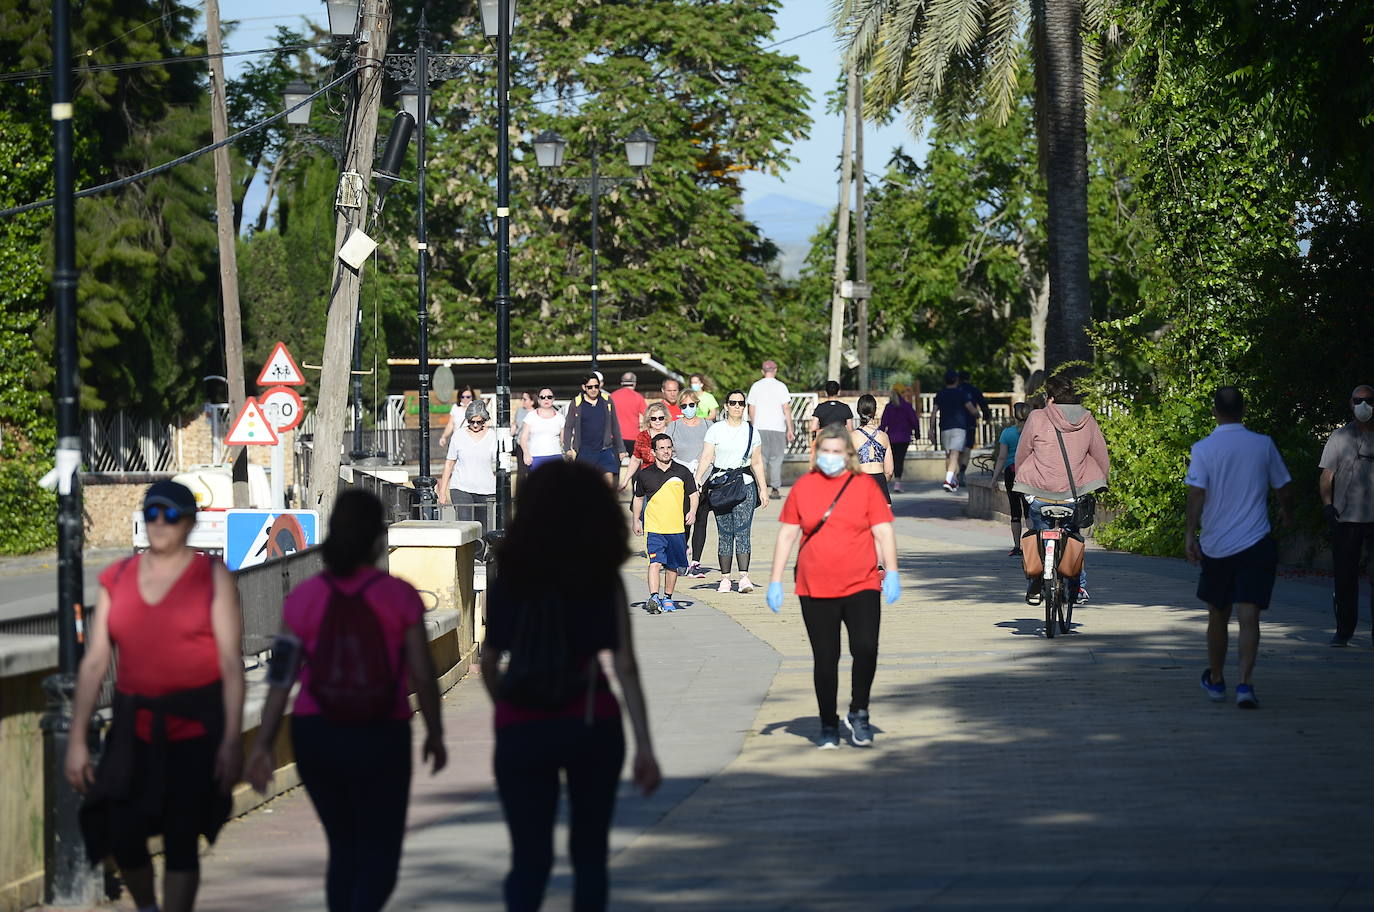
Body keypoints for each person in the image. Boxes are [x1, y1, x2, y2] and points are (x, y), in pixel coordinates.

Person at [245, 490, 447, 912]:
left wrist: (263, 744)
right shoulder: (399, 595)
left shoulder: (302, 599)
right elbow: (423, 674)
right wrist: (434, 733)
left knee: (344, 847)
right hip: (381, 734)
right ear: (378, 539)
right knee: (380, 854)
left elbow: (280, 678)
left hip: (317, 734)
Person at [480, 461, 661, 911]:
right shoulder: (602, 579)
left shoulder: (511, 576)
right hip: (589, 720)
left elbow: (488, 659)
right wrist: (644, 746)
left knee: (529, 857)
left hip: (522, 726)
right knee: (590, 856)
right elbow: (625, 665)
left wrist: (507, 705)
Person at [67, 480, 244, 912]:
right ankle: (147, 905)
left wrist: (231, 739)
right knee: (120, 830)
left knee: (182, 835)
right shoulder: (119, 578)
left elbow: (229, 662)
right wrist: (75, 740)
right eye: (152, 514)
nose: (160, 524)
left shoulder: (211, 577)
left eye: (170, 515)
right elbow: (94, 663)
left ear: (189, 522)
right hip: (133, 725)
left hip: (195, 723)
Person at [766, 425, 900, 749]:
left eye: (837, 452)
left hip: (862, 582)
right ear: (816, 454)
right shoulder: (804, 487)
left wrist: (893, 571)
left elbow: (883, 531)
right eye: (825, 452)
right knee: (826, 657)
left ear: (849, 455)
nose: (831, 458)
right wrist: (774, 580)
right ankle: (828, 723)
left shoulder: (865, 487)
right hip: (815, 587)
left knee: (866, 648)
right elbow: (787, 534)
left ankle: (859, 711)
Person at [1186, 386, 1294, 709]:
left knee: (1217, 615)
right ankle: (1245, 684)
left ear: (1214, 411)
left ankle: (1217, 680)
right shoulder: (1263, 445)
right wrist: (1287, 514)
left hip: (1217, 544)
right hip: (1256, 541)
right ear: (1243, 410)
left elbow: (1196, 495)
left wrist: (1190, 534)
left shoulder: (1204, 448)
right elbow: (1284, 487)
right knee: (1250, 615)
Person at [1013, 372, 1109, 605]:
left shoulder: (1036, 417)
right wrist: (1101, 482)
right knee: (1073, 535)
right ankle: (1079, 587)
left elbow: (1023, 452)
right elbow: (1100, 455)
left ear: (1050, 397)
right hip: (1074, 495)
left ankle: (1036, 582)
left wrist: (1021, 478)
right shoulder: (1088, 419)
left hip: (1039, 493)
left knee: (1037, 531)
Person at [1318, 383, 1374, 647]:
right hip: (1346, 519)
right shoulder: (1339, 437)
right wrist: (1328, 505)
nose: (1364, 405)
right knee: (1345, 579)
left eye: (1369, 400)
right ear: (1350, 403)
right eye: (1358, 400)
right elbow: (1326, 475)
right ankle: (1344, 630)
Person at [697, 390, 770, 593]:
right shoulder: (715, 430)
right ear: (726, 406)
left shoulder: (751, 431)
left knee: (743, 531)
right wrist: (696, 479)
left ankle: (744, 577)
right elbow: (706, 456)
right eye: (733, 402)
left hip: (745, 484)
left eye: (741, 403)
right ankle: (725, 578)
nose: (737, 406)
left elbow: (757, 462)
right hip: (720, 486)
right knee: (725, 533)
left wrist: (763, 489)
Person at [632, 434, 700, 613]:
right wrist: (636, 520)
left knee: (672, 566)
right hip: (654, 528)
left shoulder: (683, 471)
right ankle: (654, 597)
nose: (666, 451)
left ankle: (668, 598)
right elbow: (638, 498)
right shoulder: (645, 474)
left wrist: (692, 512)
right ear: (654, 452)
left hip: (677, 528)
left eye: (668, 447)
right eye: (661, 448)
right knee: (654, 562)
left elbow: (693, 495)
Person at [667, 389, 715, 578]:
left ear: (697, 405)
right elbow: (668, 452)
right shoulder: (674, 426)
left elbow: (712, 453)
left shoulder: (708, 425)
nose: (688, 409)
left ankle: (695, 562)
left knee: (701, 520)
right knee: (683, 521)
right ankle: (681, 560)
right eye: (684, 406)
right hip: (681, 481)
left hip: (704, 479)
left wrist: (702, 477)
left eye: (692, 405)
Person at [438, 401, 498, 535]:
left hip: (485, 489)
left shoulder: (492, 436)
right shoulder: (458, 435)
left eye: (479, 422)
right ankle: (466, 556)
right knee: (465, 526)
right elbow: (449, 463)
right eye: (472, 422)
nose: (475, 425)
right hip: (461, 487)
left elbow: (498, 460)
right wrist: (442, 492)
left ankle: (480, 556)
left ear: (484, 420)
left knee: (483, 529)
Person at [563, 372, 625, 487]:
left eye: (596, 386)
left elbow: (615, 426)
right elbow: (568, 427)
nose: (593, 389)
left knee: (608, 484)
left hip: (605, 450)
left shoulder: (607, 401)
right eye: (590, 387)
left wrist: (621, 448)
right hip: (584, 451)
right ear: (584, 387)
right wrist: (567, 448)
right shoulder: (576, 403)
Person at [746, 359, 795, 498]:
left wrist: (754, 425)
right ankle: (775, 488)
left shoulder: (756, 386)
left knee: (760, 459)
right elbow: (786, 408)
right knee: (776, 459)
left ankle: (761, 487)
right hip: (778, 427)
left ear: (762, 371)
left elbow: (751, 408)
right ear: (775, 371)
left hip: (760, 427)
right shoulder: (781, 386)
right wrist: (790, 429)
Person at [991, 402, 1031, 556]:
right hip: (1029, 473)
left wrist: (994, 478)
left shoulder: (1007, 433)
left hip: (1011, 472)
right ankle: (1032, 545)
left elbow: (1001, 457)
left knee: (1015, 510)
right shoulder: (1033, 432)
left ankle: (1017, 546)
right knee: (1029, 509)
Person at [931, 369, 978, 493]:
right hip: (959, 428)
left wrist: (931, 429)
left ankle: (952, 480)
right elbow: (972, 410)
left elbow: (934, 412)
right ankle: (948, 480)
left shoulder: (940, 394)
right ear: (956, 380)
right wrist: (977, 414)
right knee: (955, 454)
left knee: (948, 455)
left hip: (944, 428)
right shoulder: (961, 393)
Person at [850, 394, 895, 503]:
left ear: (858, 411)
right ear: (875, 411)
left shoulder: (852, 436)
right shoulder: (884, 436)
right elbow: (889, 471)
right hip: (879, 481)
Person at [879, 385, 921, 494]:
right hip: (904, 438)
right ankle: (897, 483)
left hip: (891, 438)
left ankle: (886, 481)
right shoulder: (907, 406)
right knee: (900, 460)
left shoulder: (889, 407)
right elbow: (914, 421)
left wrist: (879, 436)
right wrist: (917, 433)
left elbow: (883, 423)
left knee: (891, 460)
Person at [621, 402, 670, 491]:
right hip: (648, 482)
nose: (657, 421)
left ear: (666, 419)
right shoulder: (642, 436)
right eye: (653, 418)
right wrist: (625, 481)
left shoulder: (673, 433)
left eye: (661, 418)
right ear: (648, 420)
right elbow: (635, 459)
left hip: (670, 482)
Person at [520, 387, 567, 473]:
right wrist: (526, 453)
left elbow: (564, 439)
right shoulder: (531, 416)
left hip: (555, 456)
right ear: (538, 400)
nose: (546, 399)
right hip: (536, 457)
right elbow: (523, 438)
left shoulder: (560, 417)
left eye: (549, 397)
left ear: (553, 399)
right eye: (543, 397)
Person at [957, 370, 990, 487]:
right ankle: (962, 471)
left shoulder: (956, 390)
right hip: (970, 422)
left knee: (958, 449)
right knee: (967, 447)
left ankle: (958, 470)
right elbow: (983, 404)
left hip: (956, 424)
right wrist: (986, 416)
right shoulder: (974, 390)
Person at [609, 372, 647, 457]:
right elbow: (647, 415)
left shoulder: (612, 396)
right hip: (633, 437)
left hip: (614, 437)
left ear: (622, 383)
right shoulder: (638, 397)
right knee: (637, 465)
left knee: (614, 466)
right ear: (634, 383)